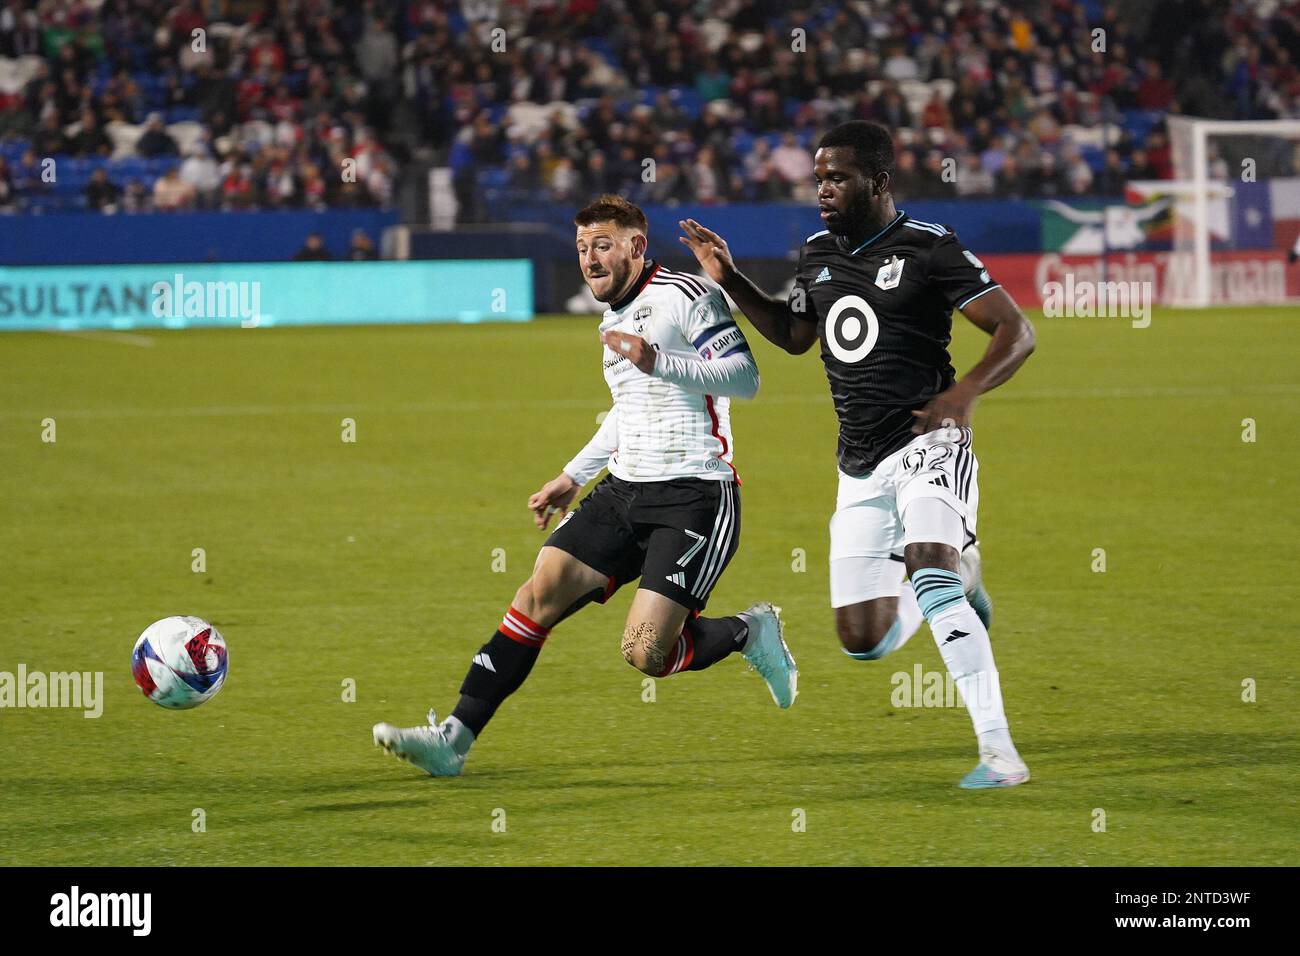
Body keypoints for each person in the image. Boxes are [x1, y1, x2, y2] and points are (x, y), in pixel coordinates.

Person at [373, 194, 798, 777]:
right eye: (581, 248)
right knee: (537, 592)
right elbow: (627, 410)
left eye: (602, 245)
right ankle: (453, 740)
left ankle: (750, 632)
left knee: (646, 652)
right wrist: (573, 474)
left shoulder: (685, 296)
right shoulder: (611, 317)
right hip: (623, 491)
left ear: (635, 246)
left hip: (695, 495)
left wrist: (657, 360)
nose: (590, 259)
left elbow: (744, 379)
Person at [679, 121, 1036, 789]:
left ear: (877, 180)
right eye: (817, 179)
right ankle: (968, 573)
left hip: (929, 441)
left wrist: (963, 394)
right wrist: (728, 278)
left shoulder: (929, 247)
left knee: (929, 578)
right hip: (860, 465)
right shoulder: (817, 252)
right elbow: (792, 335)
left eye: (836, 178)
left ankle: (999, 752)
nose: (823, 190)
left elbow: (1016, 330)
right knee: (863, 640)